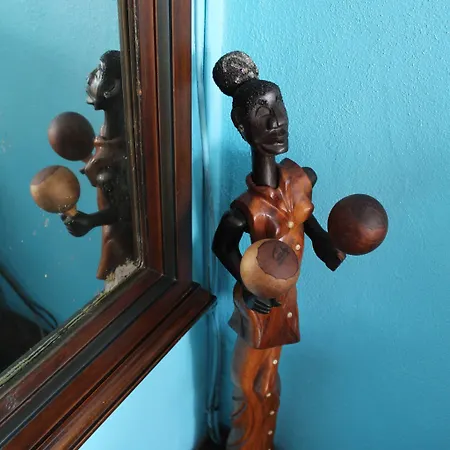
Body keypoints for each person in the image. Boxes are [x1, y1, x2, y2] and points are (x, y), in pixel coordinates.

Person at [212, 51, 345, 449]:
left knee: (270, 377)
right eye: (261, 113)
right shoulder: (245, 209)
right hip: (259, 302)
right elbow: (222, 247)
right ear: (242, 128)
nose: (276, 121)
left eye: (278, 105)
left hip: (287, 299)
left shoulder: (301, 178)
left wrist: (322, 240)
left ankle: (264, 441)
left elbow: (305, 216)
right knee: (244, 383)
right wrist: (246, 286)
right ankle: (244, 442)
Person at [61, 51, 133, 281]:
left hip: (124, 247)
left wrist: (91, 221)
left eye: (98, 71)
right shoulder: (109, 136)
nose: (89, 77)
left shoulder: (122, 152)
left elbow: (124, 211)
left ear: (111, 87)